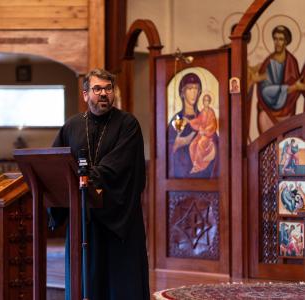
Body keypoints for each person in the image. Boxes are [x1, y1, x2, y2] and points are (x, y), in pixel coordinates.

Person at [49, 68, 149, 300]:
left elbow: (118, 165)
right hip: (84, 218)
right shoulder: (71, 126)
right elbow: (55, 163)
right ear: (86, 94)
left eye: (108, 88)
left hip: (117, 217)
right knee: (85, 282)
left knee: (120, 285)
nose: (103, 94)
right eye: (97, 89)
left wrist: (85, 180)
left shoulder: (127, 124)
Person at [251, 25, 305, 134]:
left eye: (281, 39)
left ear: (286, 42)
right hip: (267, 108)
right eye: (275, 39)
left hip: (287, 110)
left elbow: (295, 87)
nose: (277, 42)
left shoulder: (291, 61)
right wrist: (292, 87)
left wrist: (294, 88)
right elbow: (264, 90)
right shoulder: (268, 61)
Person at [168, 73, 219, 178]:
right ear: (182, 92)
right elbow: (170, 145)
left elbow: (216, 141)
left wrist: (213, 148)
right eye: (190, 88)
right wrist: (180, 142)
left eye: (196, 88)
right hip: (182, 176)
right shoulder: (179, 119)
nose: (194, 92)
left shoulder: (204, 116)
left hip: (204, 175)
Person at [187, 93, 217, 174]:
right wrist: (190, 121)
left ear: (209, 102)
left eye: (207, 100)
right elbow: (198, 121)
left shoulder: (211, 112)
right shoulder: (202, 112)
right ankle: (195, 164)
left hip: (208, 136)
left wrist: (205, 131)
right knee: (192, 145)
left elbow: (213, 125)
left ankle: (199, 166)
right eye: (204, 100)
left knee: (200, 144)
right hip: (201, 134)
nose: (205, 102)